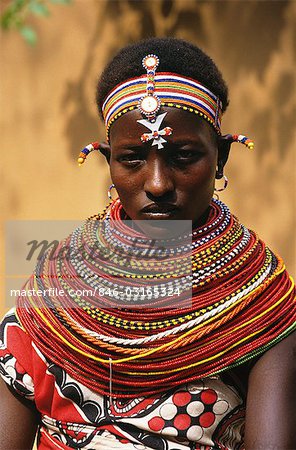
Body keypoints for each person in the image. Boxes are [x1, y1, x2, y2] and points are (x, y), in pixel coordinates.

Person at [0, 37, 295, 450]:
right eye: (132, 159)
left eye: (184, 156)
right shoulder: (50, 293)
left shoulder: (262, 303)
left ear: (221, 159)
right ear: (108, 162)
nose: (157, 184)